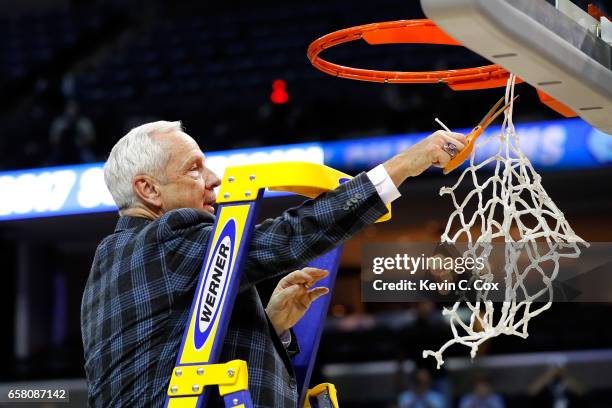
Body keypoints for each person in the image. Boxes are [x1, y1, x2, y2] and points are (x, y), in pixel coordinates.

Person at [81, 120, 466, 407]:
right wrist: (406, 165)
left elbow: (170, 352)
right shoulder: (164, 238)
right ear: (148, 189)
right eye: (194, 168)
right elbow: (287, 236)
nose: (213, 178)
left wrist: (271, 326)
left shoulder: (120, 260)